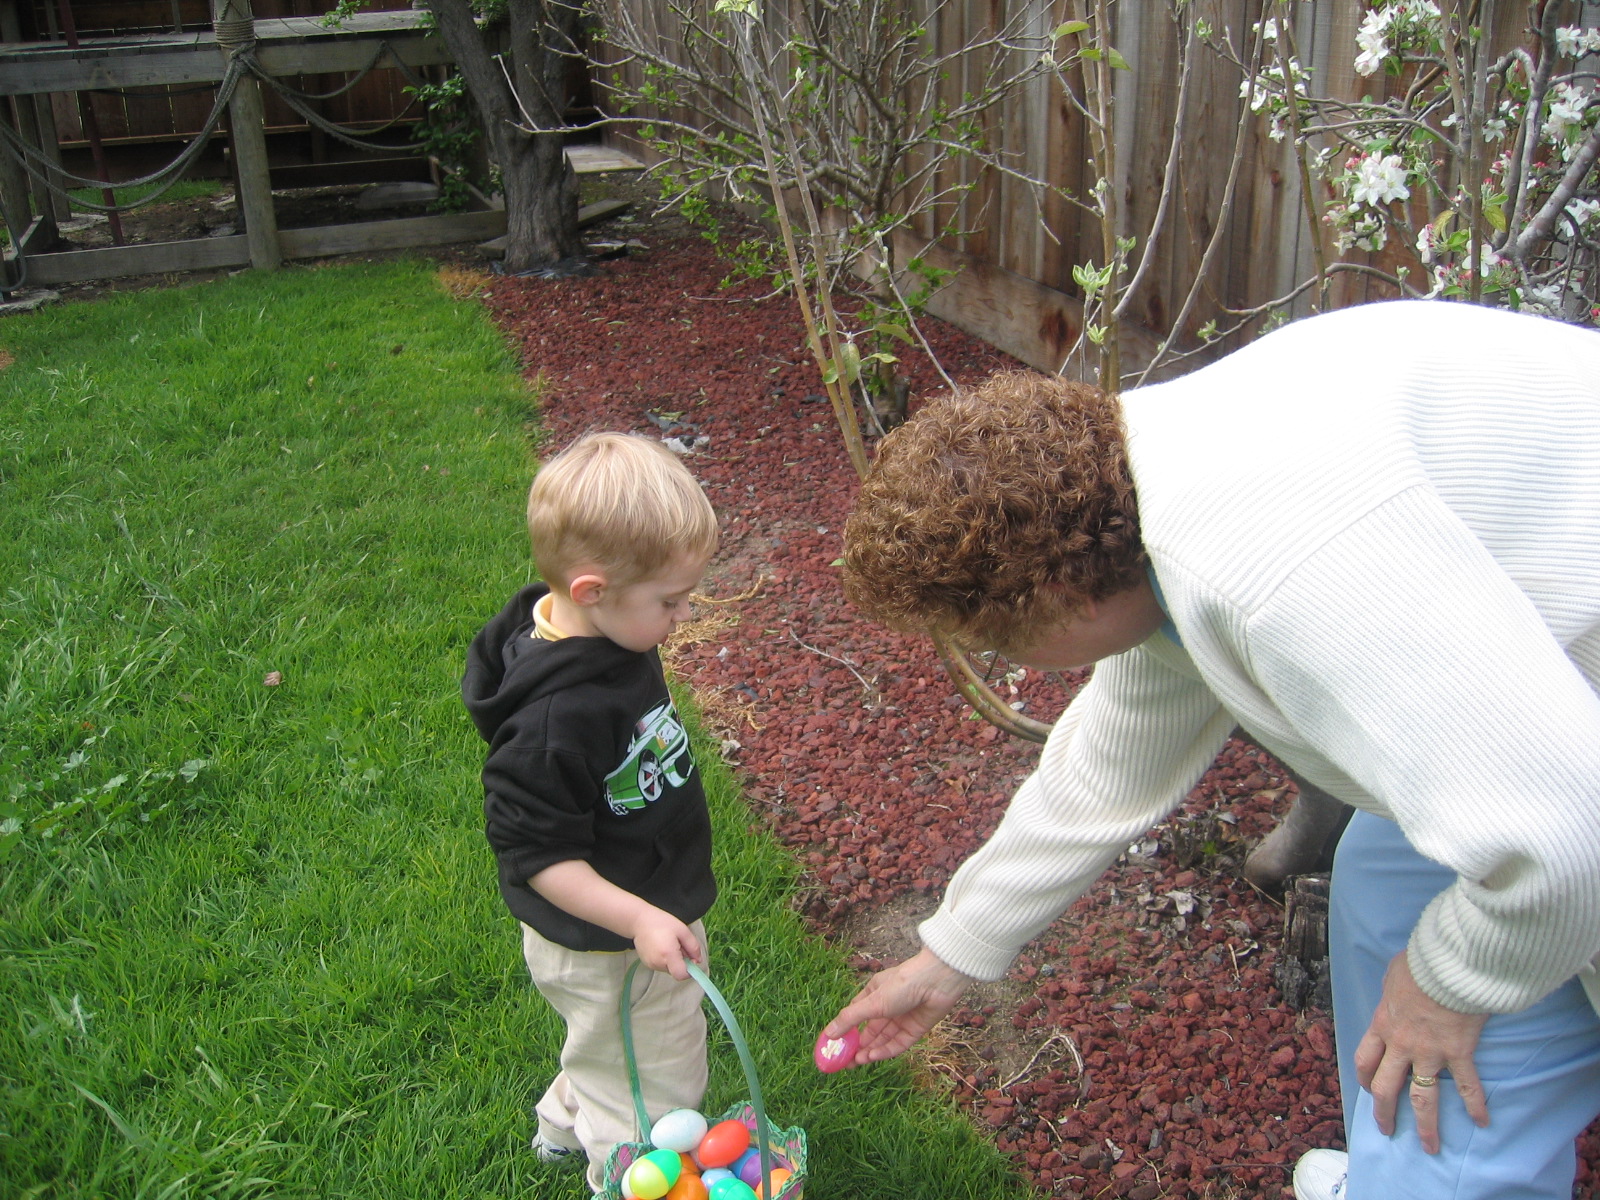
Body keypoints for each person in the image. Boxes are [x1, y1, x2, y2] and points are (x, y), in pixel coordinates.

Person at [819, 300, 1600, 1200]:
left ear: (1066, 600)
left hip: (1570, 788)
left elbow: (1563, 842)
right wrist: (950, 955)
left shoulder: (1280, 577)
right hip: (1531, 714)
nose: (1007, 662)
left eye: (996, 641)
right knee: (1383, 877)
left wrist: (1448, 986)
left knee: (1464, 1068)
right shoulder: (1147, 502)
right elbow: (1109, 766)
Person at [462, 431, 720, 1194]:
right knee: (654, 1093)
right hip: (610, 942)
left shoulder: (604, 629)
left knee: (614, 1056)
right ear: (592, 591)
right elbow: (535, 856)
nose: (683, 615)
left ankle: (559, 1130)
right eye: (670, 602)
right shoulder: (553, 723)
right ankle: (627, 1174)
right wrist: (639, 921)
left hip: (642, 912)